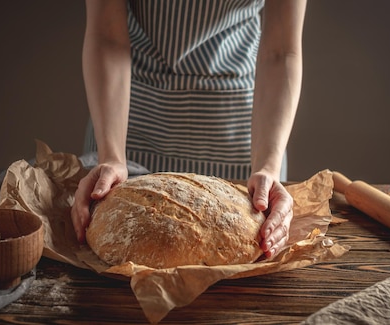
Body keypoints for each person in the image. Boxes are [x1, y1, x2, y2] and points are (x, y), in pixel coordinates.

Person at [72, 0, 306, 259]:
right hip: (126, 126)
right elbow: (107, 36)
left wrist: (267, 167)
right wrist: (111, 156)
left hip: (245, 139)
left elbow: (280, 51)